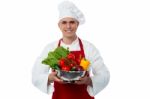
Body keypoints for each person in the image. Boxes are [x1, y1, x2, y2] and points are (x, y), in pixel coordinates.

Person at [32, 1, 110, 99]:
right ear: (59, 25)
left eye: (72, 22)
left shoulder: (88, 47)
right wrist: (50, 78)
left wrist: (89, 81)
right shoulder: (51, 47)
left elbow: (104, 75)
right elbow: (36, 75)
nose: (68, 26)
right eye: (64, 22)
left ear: (77, 24)